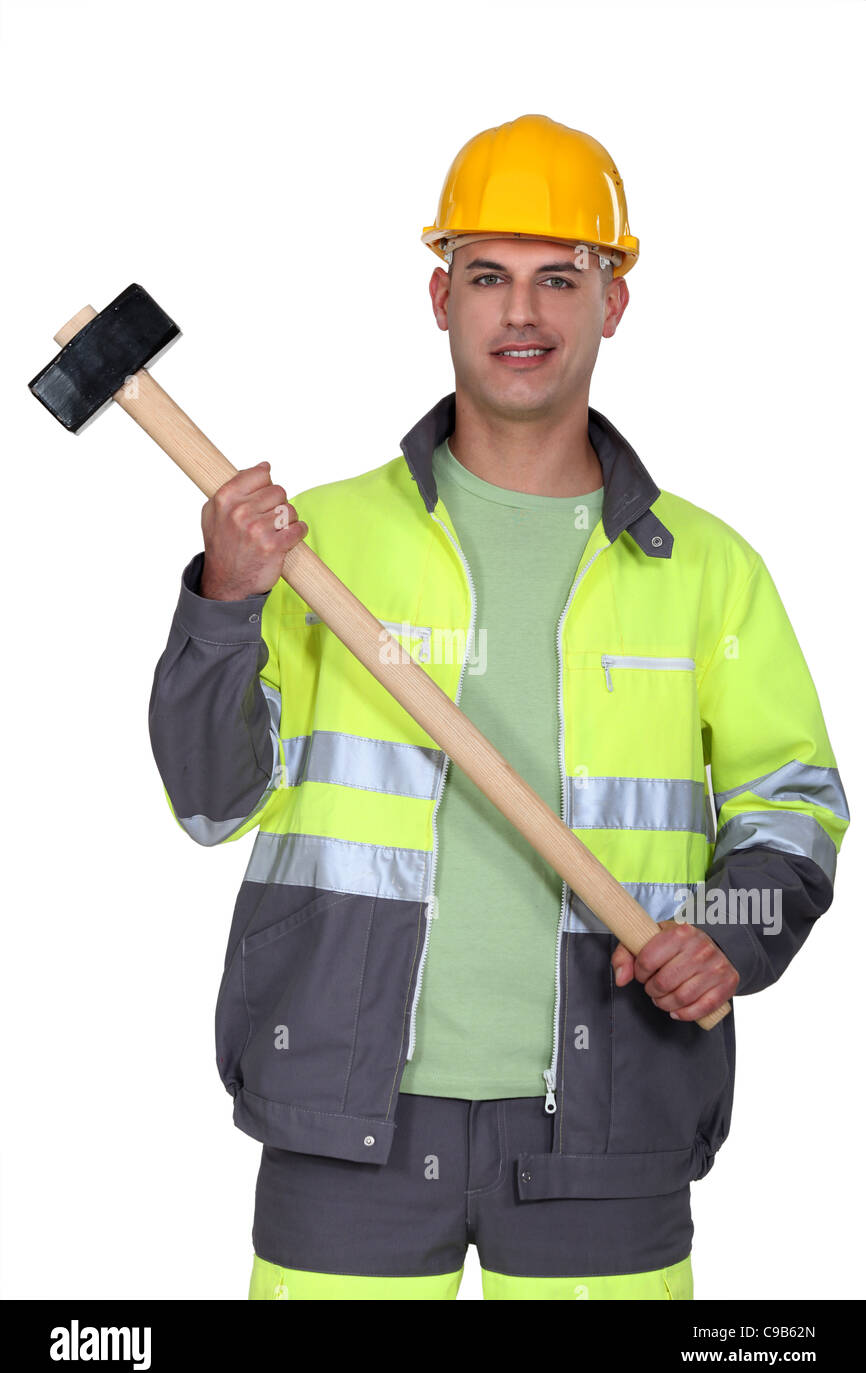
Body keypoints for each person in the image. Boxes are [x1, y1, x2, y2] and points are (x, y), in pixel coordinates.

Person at [148, 113, 850, 1300]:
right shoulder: (318, 542)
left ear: (611, 303)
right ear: (440, 297)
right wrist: (222, 598)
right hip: (343, 1108)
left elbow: (793, 805)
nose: (520, 313)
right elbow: (212, 802)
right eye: (487, 277)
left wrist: (725, 933)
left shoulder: (702, 568)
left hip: (611, 1116)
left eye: (557, 279)